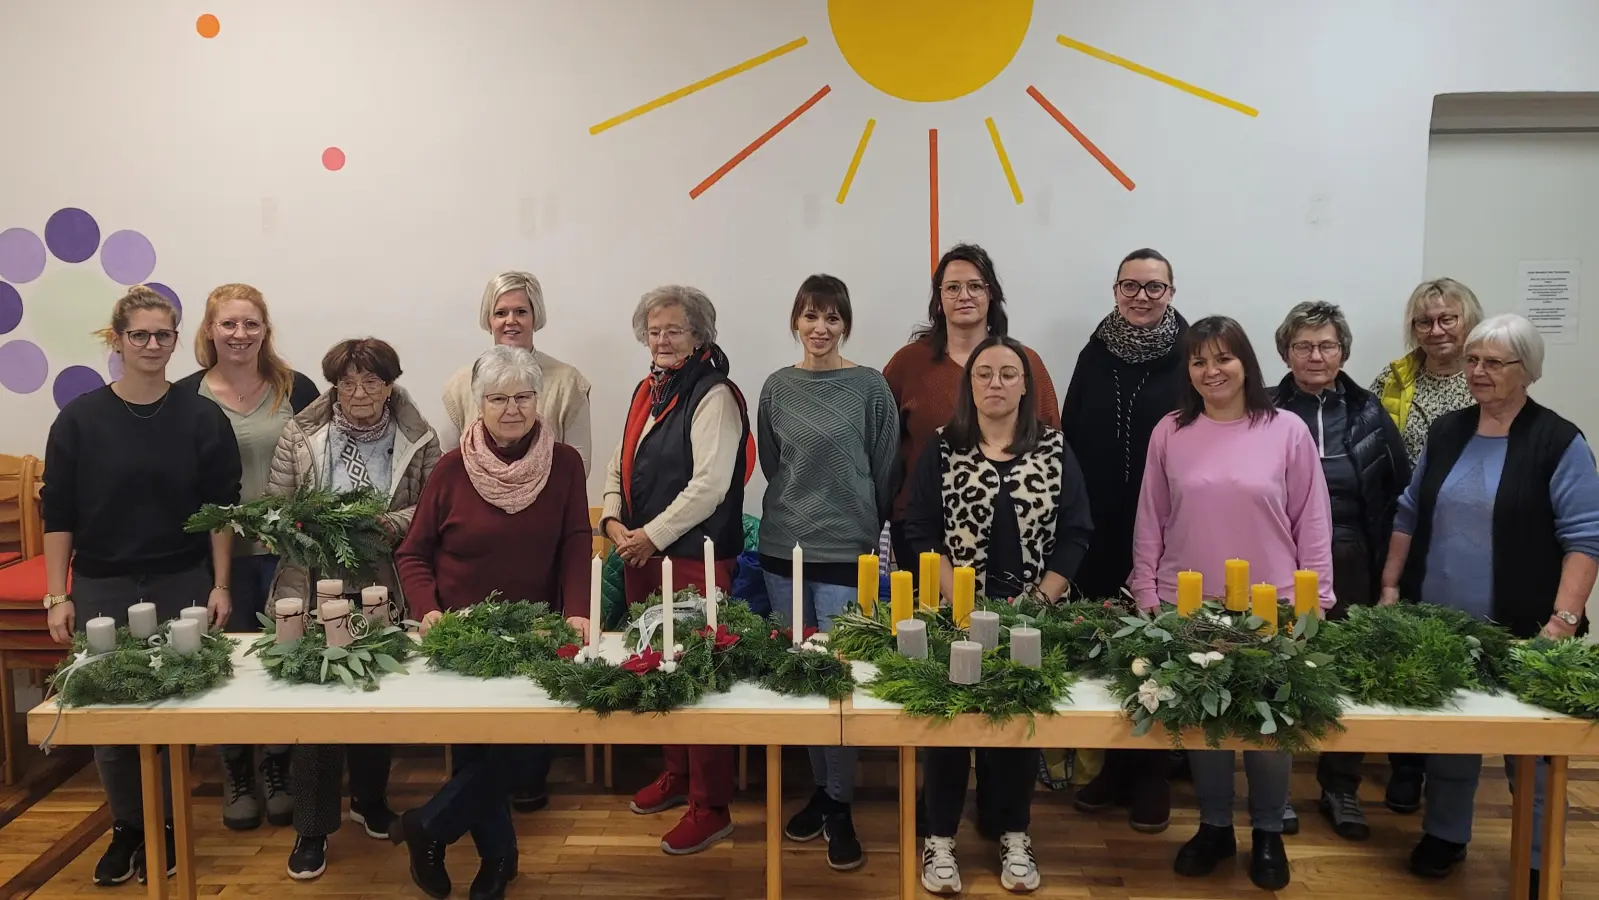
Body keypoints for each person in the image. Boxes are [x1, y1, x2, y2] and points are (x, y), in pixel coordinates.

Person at [1377, 314, 1599, 896]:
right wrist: (1391, 587)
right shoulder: (1448, 431)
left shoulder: (1558, 441)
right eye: (1473, 360)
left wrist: (1563, 622)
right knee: (1453, 739)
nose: (1478, 371)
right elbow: (1408, 512)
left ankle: (1537, 854)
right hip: (1441, 623)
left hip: (1530, 627)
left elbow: (1585, 538)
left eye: (1494, 362)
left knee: (1534, 757)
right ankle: (1446, 834)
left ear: (1527, 371)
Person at [42, 285, 241, 886]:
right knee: (109, 713)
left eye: (163, 335)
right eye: (140, 335)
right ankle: (128, 827)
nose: (152, 345)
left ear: (177, 339)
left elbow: (221, 508)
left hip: (181, 580)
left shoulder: (202, 416)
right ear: (118, 340)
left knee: (176, 706)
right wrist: (58, 595)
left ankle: (170, 823)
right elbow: (59, 512)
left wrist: (221, 584)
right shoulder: (80, 419)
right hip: (102, 584)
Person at [1129, 316, 1334, 892]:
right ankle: (1215, 826)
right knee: (1204, 721)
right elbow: (1151, 517)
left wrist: (1316, 599)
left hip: (1273, 605)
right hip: (1187, 603)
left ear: (1246, 363)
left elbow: (1312, 520)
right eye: (1199, 361)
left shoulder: (1287, 430)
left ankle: (1268, 831)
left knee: (1269, 726)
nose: (1211, 371)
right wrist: (1146, 589)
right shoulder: (1170, 431)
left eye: (1223, 358)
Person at [392, 345, 592, 900]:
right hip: (462, 637)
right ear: (478, 404)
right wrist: (428, 610)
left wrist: (577, 610)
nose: (512, 409)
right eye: (498, 398)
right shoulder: (451, 469)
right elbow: (413, 552)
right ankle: (498, 862)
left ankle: (428, 825)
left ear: (538, 400)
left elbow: (577, 542)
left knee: (522, 758)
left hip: (536, 634)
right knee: (477, 756)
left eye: (523, 396)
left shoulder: (565, 464)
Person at [903, 335, 1094, 895]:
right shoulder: (944, 447)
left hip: (1033, 615)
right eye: (984, 373)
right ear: (970, 386)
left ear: (1025, 386)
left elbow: (1076, 532)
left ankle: (1013, 832)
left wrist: (1042, 600)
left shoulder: (1055, 448)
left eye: (1009, 374)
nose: (996, 383)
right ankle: (940, 838)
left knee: (1016, 725)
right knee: (948, 725)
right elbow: (921, 529)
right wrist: (959, 603)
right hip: (955, 612)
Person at [267, 338, 441, 880]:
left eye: (371, 382)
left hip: (385, 579)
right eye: (346, 383)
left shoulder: (418, 436)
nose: (359, 393)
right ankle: (312, 827)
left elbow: (431, 508)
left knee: (373, 691)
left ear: (389, 385)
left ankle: (369, 800)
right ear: (334, 387)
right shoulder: (301, 433)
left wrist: (393, 522)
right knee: (317, 705)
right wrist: (308, 524)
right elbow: (278, 506)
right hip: (315, 579)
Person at [600, 285, 754, 856]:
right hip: (642, 554)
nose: (662, 340)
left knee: (697, 679)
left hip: (693, 558)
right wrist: (612, 520)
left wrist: (650, 536)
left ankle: (712, 807)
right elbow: (619, 463)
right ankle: (678, 775)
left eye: (675, 330)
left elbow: (710, 486)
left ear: (699, 336)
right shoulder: (648, 389)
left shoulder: (715, 394)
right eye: (654, 331)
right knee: (657, 668)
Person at [759, 275, 898, 872]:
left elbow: (885, 467)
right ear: (796, 320)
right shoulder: (777, 387)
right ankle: (822, 791)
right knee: (803, 678)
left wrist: (862, 524)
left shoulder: (870, 387)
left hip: (846, 549)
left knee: (838, 682)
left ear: (846, 324)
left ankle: (840, 804)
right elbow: (774, 464)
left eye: (832, 318)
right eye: (811, 316)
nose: (821, 328)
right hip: (782, 549)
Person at [175, 282, 319, 833]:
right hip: (216, 560)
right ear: (210, 330)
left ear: (265, 330)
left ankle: (277, 768)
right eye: (228, 323)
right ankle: (237, 770)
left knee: (284, 660)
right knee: (226, 667)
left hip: (287, 554)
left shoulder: (296, 388)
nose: (240, 334)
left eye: (250, 323)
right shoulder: (185, 397)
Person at [1271, 301, 1409, 841]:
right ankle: (1276, 788)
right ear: (1286, 353)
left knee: (1346, 671)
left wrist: (1389, 577)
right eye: (1303, 345)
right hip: (1281, 556)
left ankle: (1341, 785)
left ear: (1343, 352)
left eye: (1326, 345)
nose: (1315, 356)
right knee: (1280, 667)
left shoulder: (1370, 412)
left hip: (1351, 554)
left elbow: (1398, 497)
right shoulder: (1263, 411)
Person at [1064, 247, 1188, 833]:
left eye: (1153, 287)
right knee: (1107, 648)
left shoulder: (1191, 356)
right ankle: (1112, 767)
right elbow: (1070, 435)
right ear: (1115, 290)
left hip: (1166, 528)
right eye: (1130, 286)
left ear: (1171, 292)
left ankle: (1151, 775)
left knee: (1159, 649)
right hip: (1100, 529)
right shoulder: (1093, 353)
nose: (1141, 296)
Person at [1366, 277, 1483, 814]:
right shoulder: (1392, 381)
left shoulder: (1487, 377)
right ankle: (1407, 764)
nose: (1435, 330)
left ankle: (1453, 767)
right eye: (1424, 321)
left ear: (1468, 321)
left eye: (1447, 319)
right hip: (1403, 530)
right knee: (1406, 644)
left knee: (1460, 643)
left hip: (1467, 533)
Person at [883, 244, 1060, 577]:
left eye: (975, 286)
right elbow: (882, 447)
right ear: (939, 299)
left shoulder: (1026, 364)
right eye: (952, 287)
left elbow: (1053, 452)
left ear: (991, 294)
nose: (964, 296)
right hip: (922, 529)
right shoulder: (908, 364)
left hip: (1011, 525)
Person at [439, 271, 593, 475]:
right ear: (489, 319)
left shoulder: (569, 383)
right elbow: (447, 468)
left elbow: (578, 470)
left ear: (535, 316)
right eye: (501, 313)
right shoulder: (459, 385)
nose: (510, 320)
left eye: (521, 312)